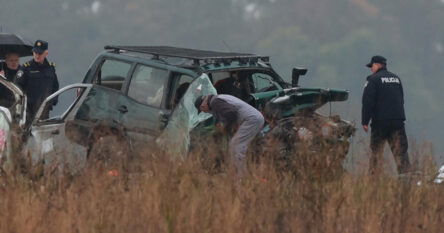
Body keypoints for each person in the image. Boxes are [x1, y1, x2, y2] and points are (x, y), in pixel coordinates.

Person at [362, 55, 411, 175]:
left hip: (380, 122)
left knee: (376, 152)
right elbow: (401, 99)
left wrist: (365, 121)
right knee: (401, 151)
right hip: (398, 121)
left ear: (378, 65)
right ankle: (406, 179)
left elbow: (368, 102)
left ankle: (374, 179)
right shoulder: (396, 78)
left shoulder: (373, 80)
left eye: (372, 66)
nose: (371, 69)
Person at [194, 94, 264, 177]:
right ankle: (249, 171)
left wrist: (226, 128)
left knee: (236, 145)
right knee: (242, 146)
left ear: (202, 106)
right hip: (253, 118)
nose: (205, 112)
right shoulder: (217, 99)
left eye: (203, 110)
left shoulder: (215, 102)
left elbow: (231, 114)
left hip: (251, 120)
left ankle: (241, 177)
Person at [14, 40, 59, 121]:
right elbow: (17, 85)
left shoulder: (50, 68)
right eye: (35, 53)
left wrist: (53, 101)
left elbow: (55, 86)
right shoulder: (26, 68)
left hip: (44, 110)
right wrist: (22, 101)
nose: (37, 55)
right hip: (28, 110)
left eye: (40, 53)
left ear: (46, 53)